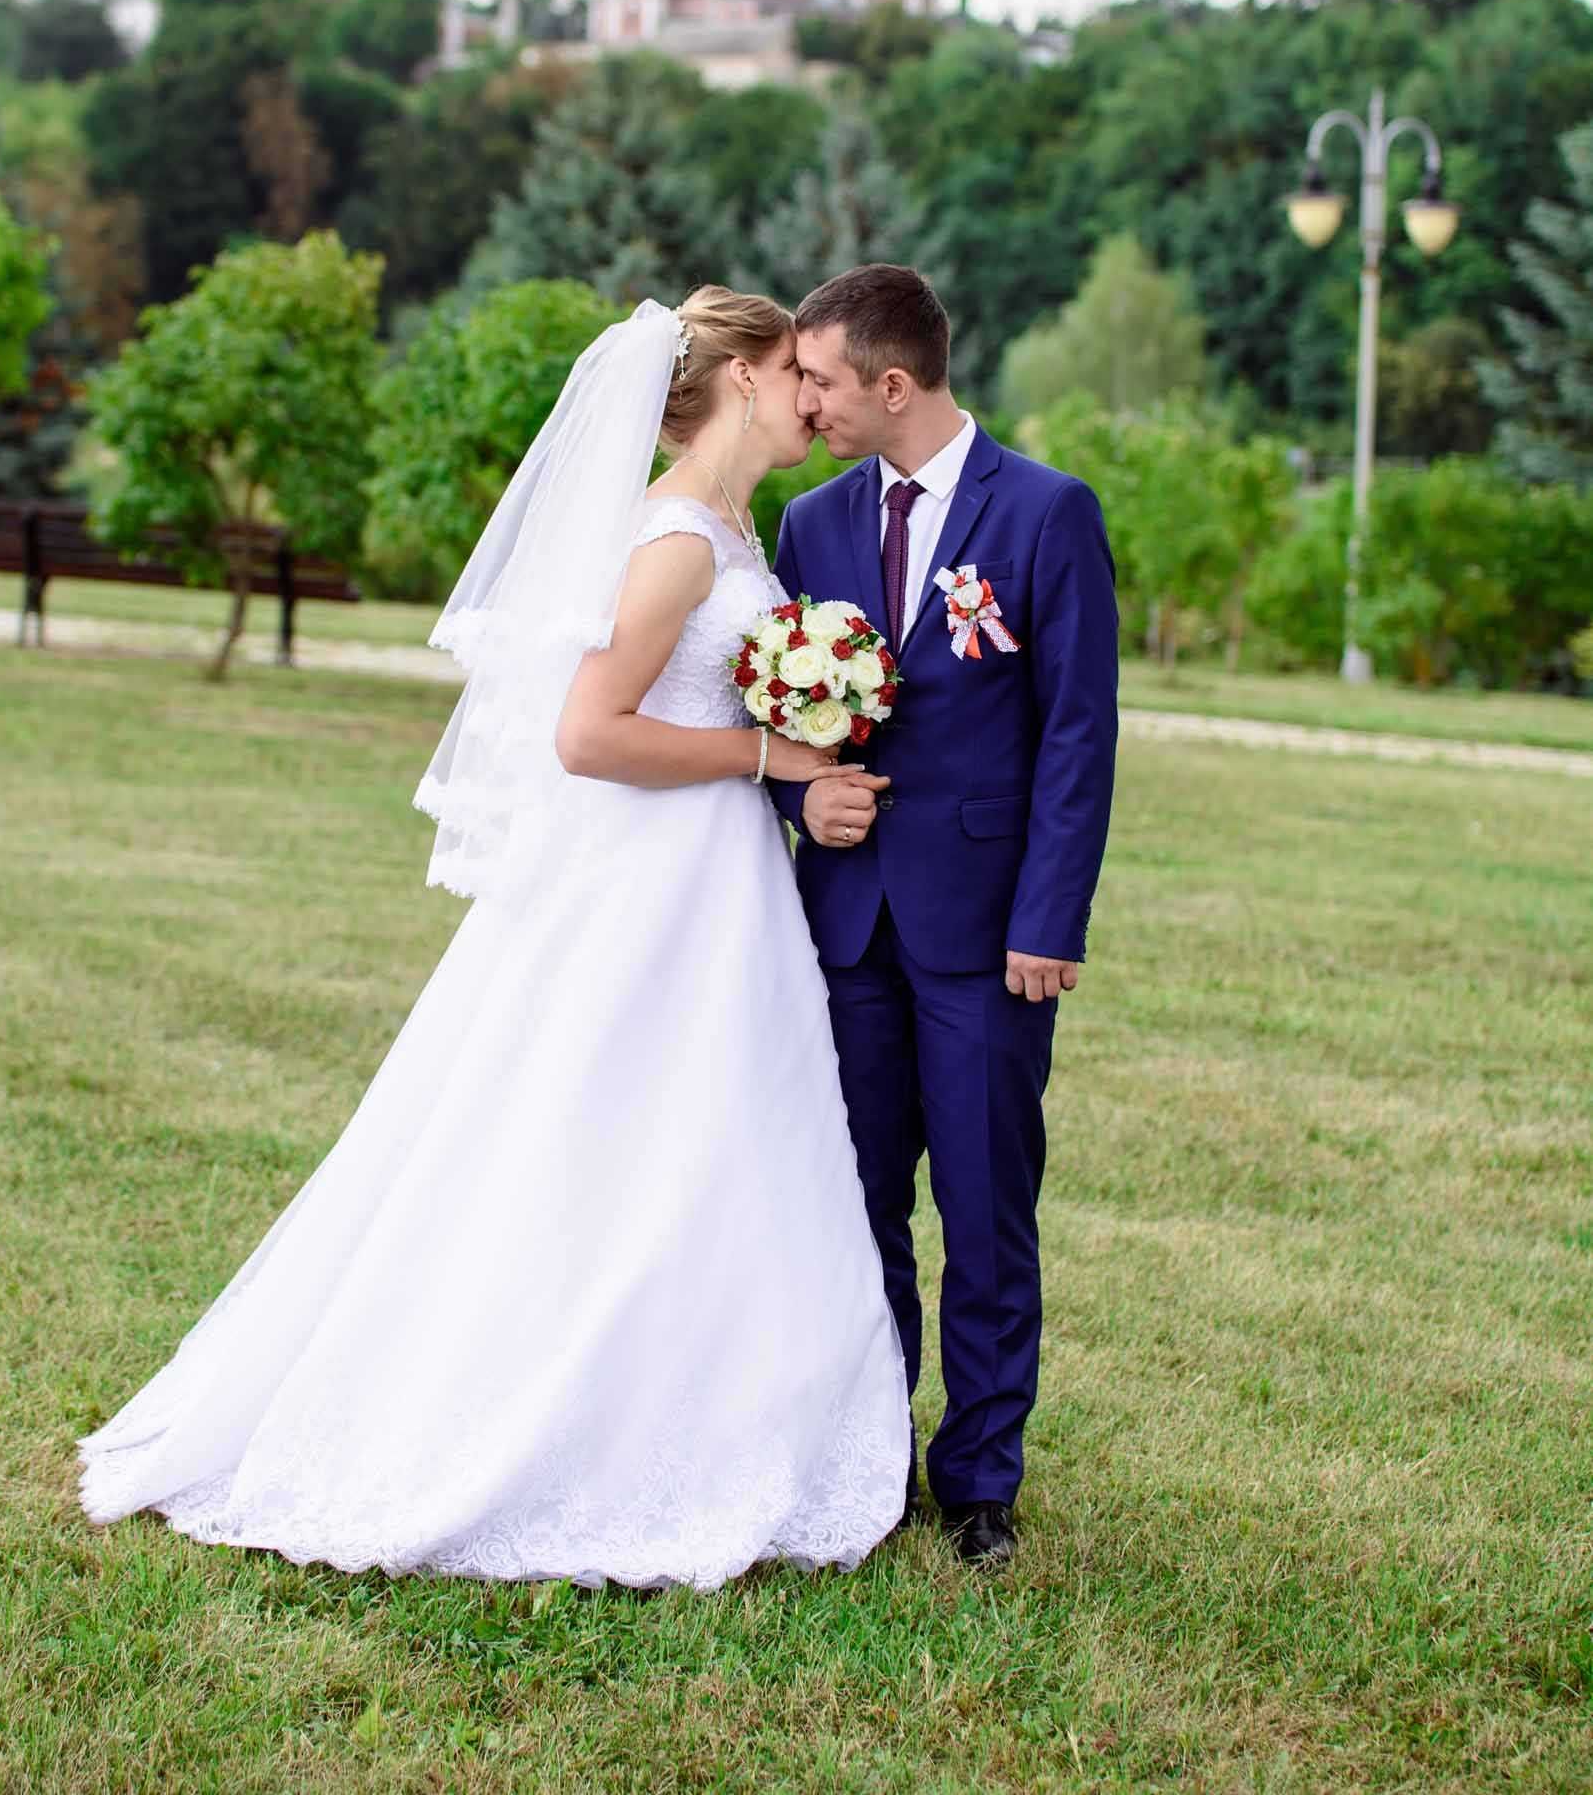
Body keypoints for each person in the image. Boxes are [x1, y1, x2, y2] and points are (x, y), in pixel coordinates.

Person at [76, 289, 912, 1590]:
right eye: (797, 370)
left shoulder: (735, 531)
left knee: (706, 1145)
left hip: (712, 877)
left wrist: (794, 746)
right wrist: (769, 753)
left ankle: (697, 1411)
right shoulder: (680, 542)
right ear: (742, 377)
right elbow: (588, 736)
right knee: (616, 1140)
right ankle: (560, 1416)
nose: (818, 395)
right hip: (652, 884)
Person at [770, 264, 1118, 1570]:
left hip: (987, 938)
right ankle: (867, 1456)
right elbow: (794, 727)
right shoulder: (812, 527)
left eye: (819, 379)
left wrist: (1050, 918)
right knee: (854, 1202)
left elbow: (1079, 735)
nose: (805, 402)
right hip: (848, 926)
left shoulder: (1046, 515)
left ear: (893, 384)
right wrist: (812, 809)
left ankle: (979, 1479)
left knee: (984, 1208)